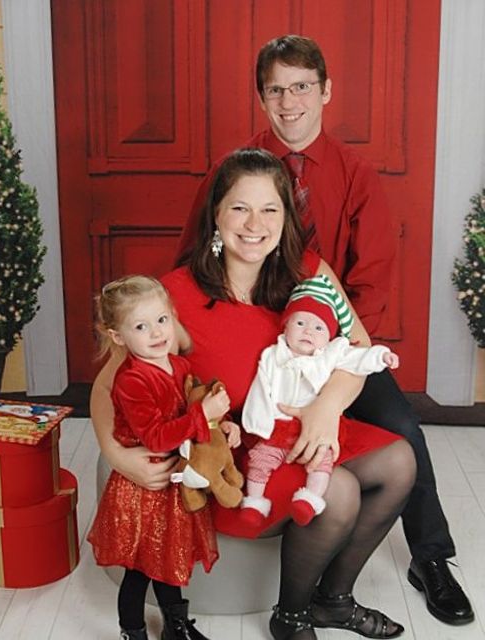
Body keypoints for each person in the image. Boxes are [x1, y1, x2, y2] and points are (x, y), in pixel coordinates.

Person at [175, 34, 474, 626]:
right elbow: (193, 255)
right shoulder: (235, 172)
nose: (290, 103)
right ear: (262, 97)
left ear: (326, 91)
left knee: (403, 429)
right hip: (254, 340)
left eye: (302, 87)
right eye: (276, 90)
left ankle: (430, 558)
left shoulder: (354, 173)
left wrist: (333, 373)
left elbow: (372, 280)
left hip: (333, 338)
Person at [92, 148, 416, 640]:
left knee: (400, 463)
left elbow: (359, 347)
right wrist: (117, 455)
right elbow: (107, 384)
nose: (254, 224)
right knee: (341, 491)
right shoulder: (176, 295)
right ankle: (291, 617)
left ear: (286, 218)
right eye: (240, 208)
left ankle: (333, 600)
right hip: (235, 454)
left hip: (301, 428)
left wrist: (326, 408)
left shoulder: (310, 271)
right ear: (216, 214)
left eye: (270, 209)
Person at [87, 275, 238, 640]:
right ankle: (133, 630)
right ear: (118, 336)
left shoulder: (179, 366)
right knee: (139, 570)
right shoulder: (132, 380)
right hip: (143, 490)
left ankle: (176, 625)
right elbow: (155, 437)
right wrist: (202, 415)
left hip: (172, 484)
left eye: (162, 319)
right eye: (141, 326)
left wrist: (221, 424)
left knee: (169, 558)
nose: (156, 332)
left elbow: (195, 409)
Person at [240, 274, 400, 528]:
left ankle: (310, 498)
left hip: (317, 427)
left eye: (318, 328)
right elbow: (261, 388)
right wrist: (259, 424)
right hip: (278, 426)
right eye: (300, 322)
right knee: (261, 459)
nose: (308, 331)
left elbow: (357, 359)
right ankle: (254, 502)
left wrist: (381, 356)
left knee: (322, 461)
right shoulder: (273, 356)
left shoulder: (330, 354)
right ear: (285, 326)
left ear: (329, 336)